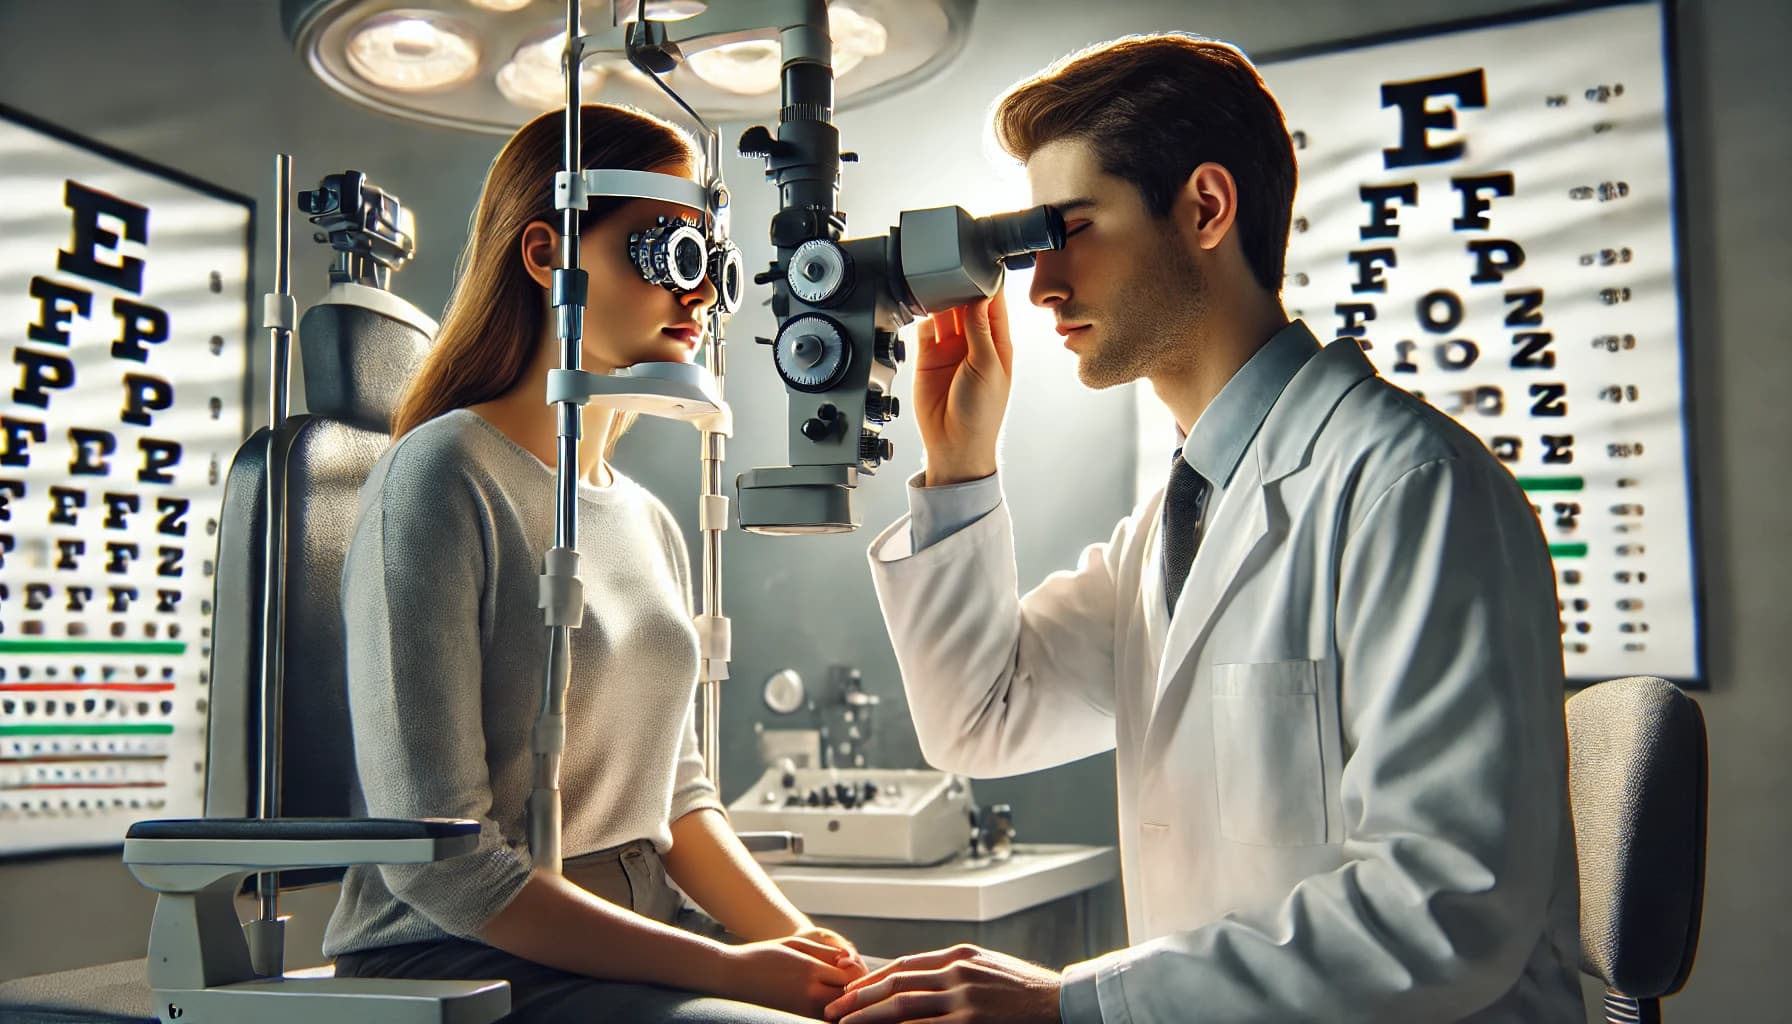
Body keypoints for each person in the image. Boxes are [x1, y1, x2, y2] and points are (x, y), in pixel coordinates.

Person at [829, 33, 1584, 1024]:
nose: (1043, 285)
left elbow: (1442, 909)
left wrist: (1071, 1004)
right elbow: (979, 719)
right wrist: (959, 461)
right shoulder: (1177, 524)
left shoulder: (1408, 486)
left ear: (1205, 208)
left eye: (1069, 228)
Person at [321, 103, 866, 1023]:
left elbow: (681, 803)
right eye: (663, 254)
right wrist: (728, 971)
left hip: (636, 937)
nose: (696, 296)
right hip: (460, 956)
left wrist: (814, 956)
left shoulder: (650, 520)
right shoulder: (440, 475)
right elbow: (445, 868)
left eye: (710, 267)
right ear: (546, 255)